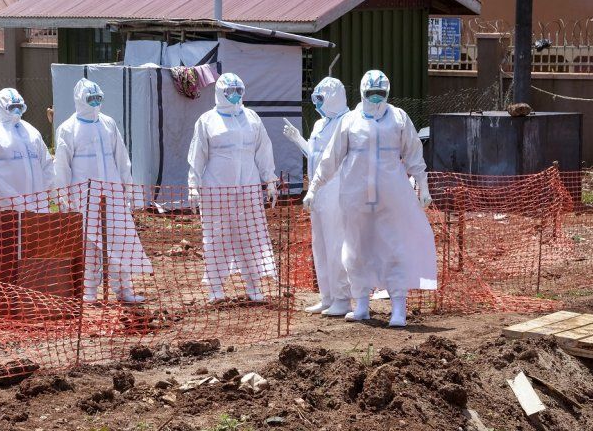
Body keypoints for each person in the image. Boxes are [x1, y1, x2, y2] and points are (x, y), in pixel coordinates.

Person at [302, 70, 436, 327]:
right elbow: (331, 158)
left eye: (380, 93)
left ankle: (398, 308)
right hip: (355, 197)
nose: (376, 98)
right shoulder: (350, 121)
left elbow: (413, 154)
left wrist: (423, 186)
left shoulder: (398, 118)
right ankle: (361, 304)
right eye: (371, 93)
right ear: (363, 93)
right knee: (356, 248)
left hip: (391, 197)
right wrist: (314, 188)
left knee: (394, 247)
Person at [53, 78, 152, 304]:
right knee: (89, 244)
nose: (95, 103)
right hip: (84, 196)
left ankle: (124, 290)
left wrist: (128, 189)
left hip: (113, 194)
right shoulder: (68, 128)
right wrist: (64, 197)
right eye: (91, 99)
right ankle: (88, 292)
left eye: (98, 98)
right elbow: (62, 166)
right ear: (80, 99)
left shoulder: (108, 124)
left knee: (120, 240)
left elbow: (122, 159)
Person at [187, 73, 279, 303]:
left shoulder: (252, 118)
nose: (235, 95)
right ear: (220, 92)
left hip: (248, 188)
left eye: (239, 90)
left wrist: (270, 179)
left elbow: (264, 150)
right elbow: (197, 155)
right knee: (216, 237)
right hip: (216, 189)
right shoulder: (207, 120)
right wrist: (193, 185)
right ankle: (216, 288)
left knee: (251, 235)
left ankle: (253, 285)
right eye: (230, 91)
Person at [283, 77, 352, 316]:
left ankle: (342, 298)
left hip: (337, 188)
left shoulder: (348, 122)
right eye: (316, 98)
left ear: (334, 97)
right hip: (317, 190)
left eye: (321, 98)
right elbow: (315, 155)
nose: (318, 103)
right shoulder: (319, 124)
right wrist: (298, 140)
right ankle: (327, 297)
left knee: (336, 244)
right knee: (320, 245)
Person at [0, 88, 53, 212]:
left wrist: (55, 193)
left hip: (36, 208)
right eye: (12, 107)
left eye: (19, 107)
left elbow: (47, 165)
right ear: (1, 107)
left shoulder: (32, 132)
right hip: (3, 208)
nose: (16, 111)